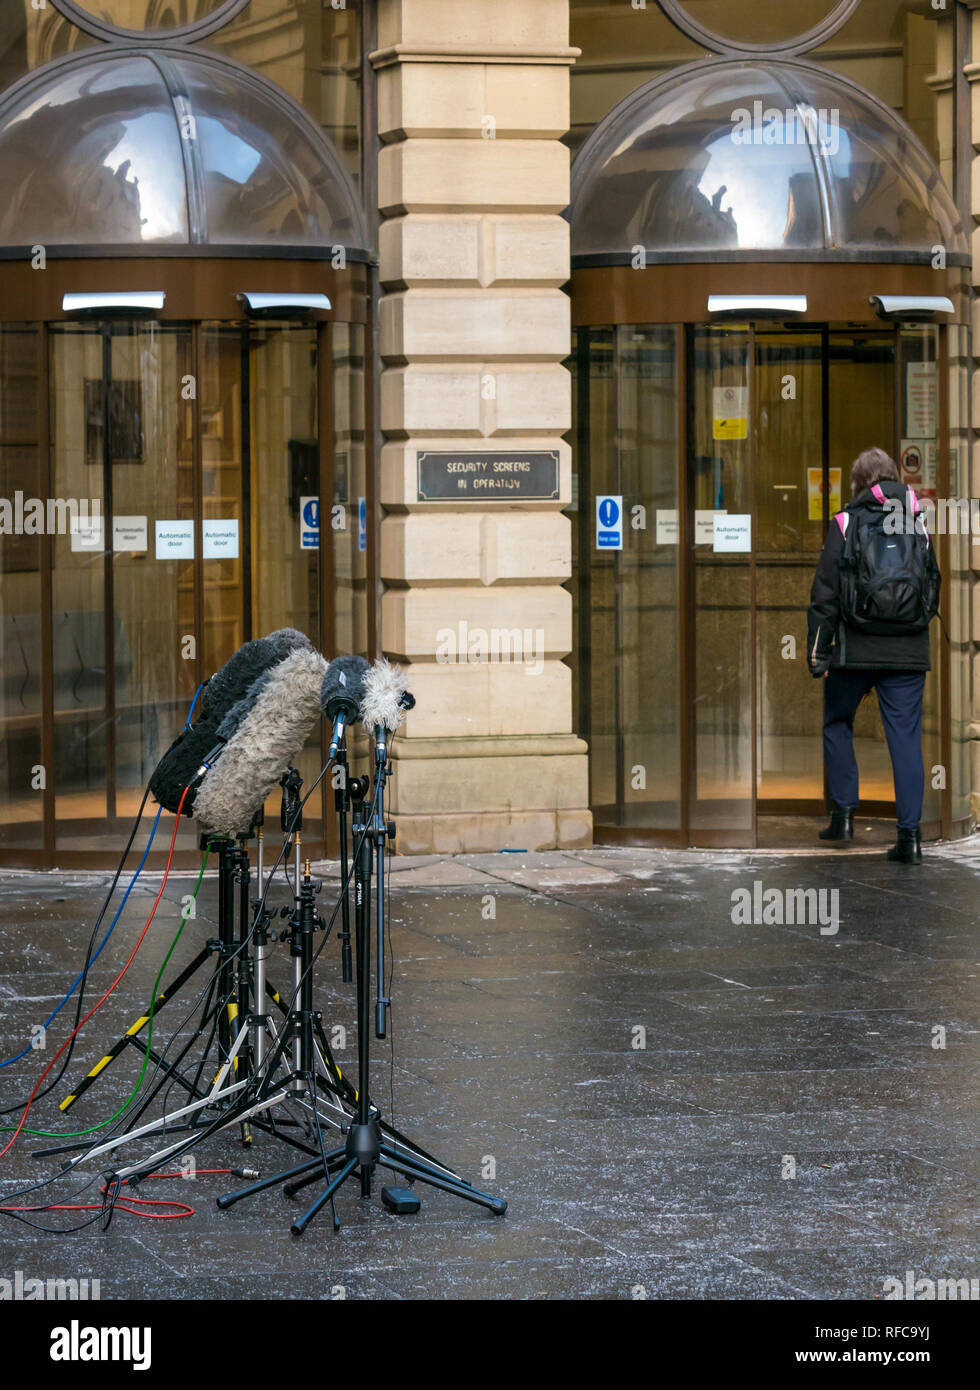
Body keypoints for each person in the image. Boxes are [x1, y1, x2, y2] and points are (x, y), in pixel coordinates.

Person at [806, 447, 940, 864]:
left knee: (837, 720)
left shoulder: (846, 522)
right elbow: (932, 585)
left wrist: (819, 655)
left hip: (854, 650)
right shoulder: (918, 520)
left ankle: (843, 815)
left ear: (858, 484)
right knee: (905, 738)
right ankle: (909, 837)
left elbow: (824, 596)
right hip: (907, 651)